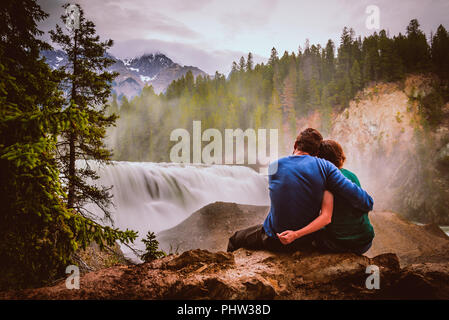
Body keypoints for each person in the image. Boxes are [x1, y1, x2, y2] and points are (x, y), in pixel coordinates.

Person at [227, 128, 374, 253]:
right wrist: (367, 203)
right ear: (317, 152)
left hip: (275, 239)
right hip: (305, 241)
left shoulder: (274, 166)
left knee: (235, 239)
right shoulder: (325, 167)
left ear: (296, 144)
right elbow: (361, 199)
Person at [277, 140, 374, 254]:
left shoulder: (327, 182)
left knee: (311, 233)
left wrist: (295, 234)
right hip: (365, 242)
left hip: (340, 245)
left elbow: (326, 218)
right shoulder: (351, 175)